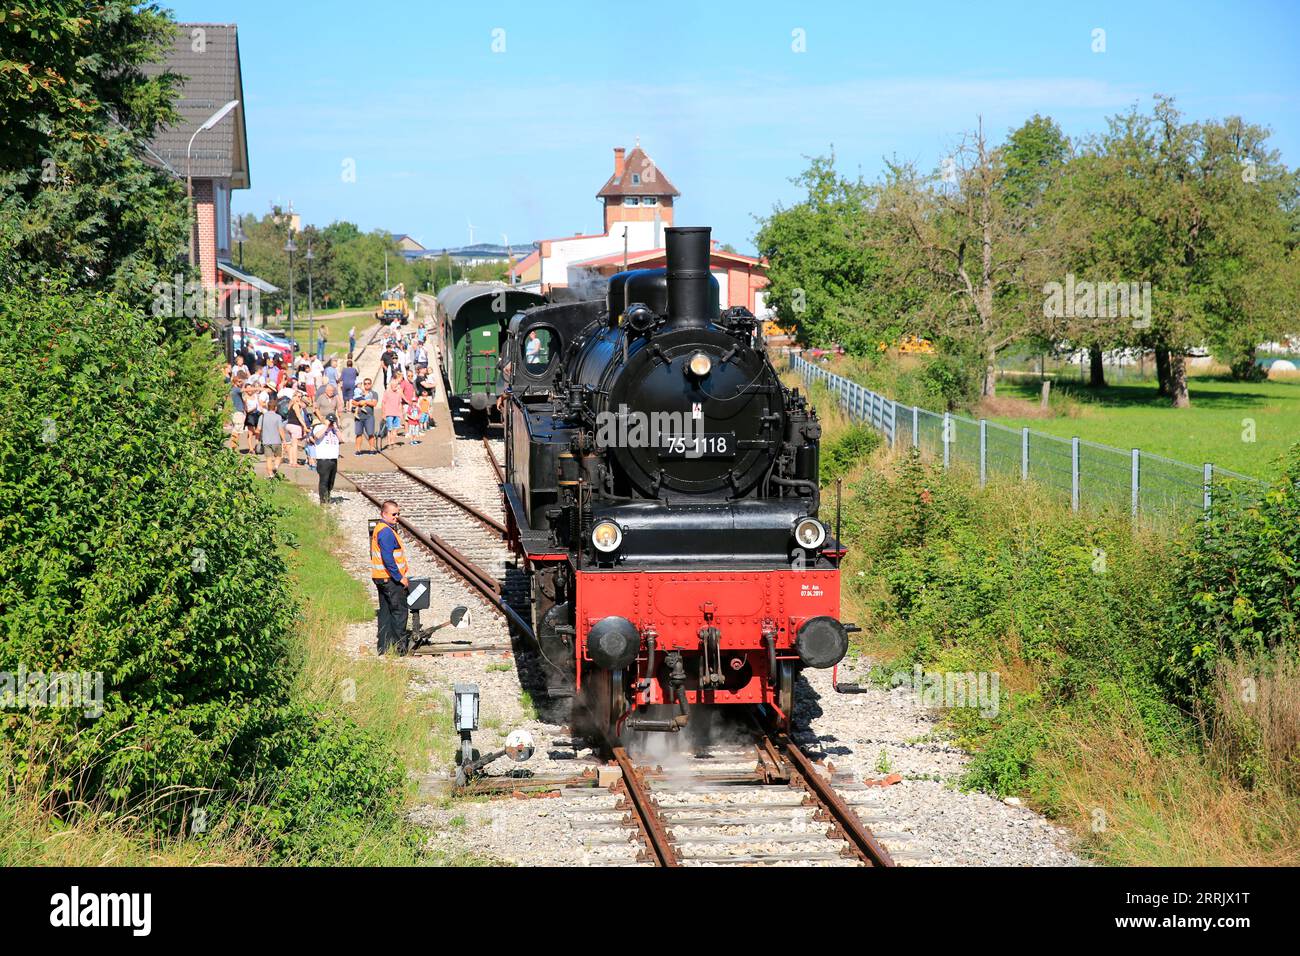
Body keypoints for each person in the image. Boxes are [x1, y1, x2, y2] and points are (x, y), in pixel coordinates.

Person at [371, 498, 410, 655]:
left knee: (385, 612)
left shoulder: (380, 528)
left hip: (381, 577)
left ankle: (384, 648)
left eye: (398, 514)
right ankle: (400, 649)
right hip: (390, 579)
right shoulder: (386, 532)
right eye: (393, 514)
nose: (396, 517)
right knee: (399, 612)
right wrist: (399, 577)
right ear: (384, 514)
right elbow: (388, 558)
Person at [313, 415, 341, 504]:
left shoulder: (334, 430)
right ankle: (323, 500)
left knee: (331, 481)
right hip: (323, 459)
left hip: (333, 459)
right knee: (324, 480)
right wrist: (326, 426)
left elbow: (342, 439)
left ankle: (328, 496)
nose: (331, 422)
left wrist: (335, 428)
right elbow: (317, 436)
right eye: (330, 420)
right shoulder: (319, 427)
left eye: (333, 421)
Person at [352, 377, 378, 454]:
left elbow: (374, 403)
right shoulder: (359, 392)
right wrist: (359, 403)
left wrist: (365, 402)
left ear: (371, 384)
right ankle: (358, 450)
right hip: (359, 417)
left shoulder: (374, 393)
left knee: (370, 433)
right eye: (365, 383)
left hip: (369, 416)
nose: (367, 385)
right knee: (358, 433)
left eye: (368, 383)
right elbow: (353, 401)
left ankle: (371, 449)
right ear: (363, 384)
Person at [261, 400, 285, 478]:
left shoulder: (262, 416)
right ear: (275, 408)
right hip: (276, 440)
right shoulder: (278, 417)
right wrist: (284, 439)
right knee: (278, 456)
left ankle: (271, 475)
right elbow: (280, 429)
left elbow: (258, 429)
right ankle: (276, 467)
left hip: (266, 441)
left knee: (268, 458)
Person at [381, 378, 404, 451]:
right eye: (394, 385)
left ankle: (393, 442)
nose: (395, 386)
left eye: (396, 385)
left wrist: (401, 414)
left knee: (396, 429)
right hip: (389, 413)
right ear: (391, 385)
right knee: (389, 429)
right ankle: (389, 444)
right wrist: (384, 413)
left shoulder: (398, 393)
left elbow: (400, 404)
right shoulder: (387, 392)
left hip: (396, 413)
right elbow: (383, 403)